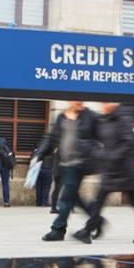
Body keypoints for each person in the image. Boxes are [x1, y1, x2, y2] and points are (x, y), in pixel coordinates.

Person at [75, 103, 134, 245]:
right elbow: (97, 140)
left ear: (114, 105)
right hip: (110, 170)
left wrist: (112, 156)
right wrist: (100, 154)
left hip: (125, 170)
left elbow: (127, 143)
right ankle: (87, 230)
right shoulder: (102, 121)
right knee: (99, 200)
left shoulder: (122, 120)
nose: (104, 105)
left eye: (107, 103)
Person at [35, 101, 98, 241]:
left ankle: (58, 229)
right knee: (73, 197)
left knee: (66, 198)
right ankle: (96, 220)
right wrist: (40, 153)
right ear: (70, 101)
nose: (79, 103)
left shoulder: (90, 116)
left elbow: (100, 137)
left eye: (81, 101)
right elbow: (52, 138)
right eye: (76, 101)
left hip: (80, 162)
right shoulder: (61, 117)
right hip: (64, 163)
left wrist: (96, 153)